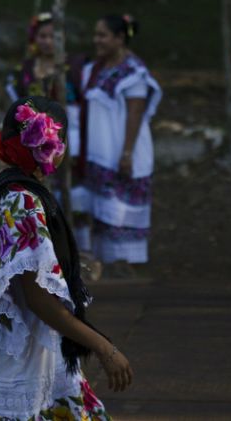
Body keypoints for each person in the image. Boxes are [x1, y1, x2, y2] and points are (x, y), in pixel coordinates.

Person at [0, 96, 133, 420]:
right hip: (19, 363)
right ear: (53, 146)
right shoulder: (23, 202)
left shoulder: (2, 190)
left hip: (21, 354)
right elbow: (39, 299)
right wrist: (104, 347)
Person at [76, 14, 162, 276]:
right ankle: (107, 277)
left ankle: (129, 280)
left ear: (119, 38)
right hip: (98, 156)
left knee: (122, 221)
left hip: (122, 156)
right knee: (100, 220)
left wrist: (126, 154)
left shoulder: (133, 73)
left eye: (102, 35)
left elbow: (135, 114)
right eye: (95, 34)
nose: (96, 40)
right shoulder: (94, 69)